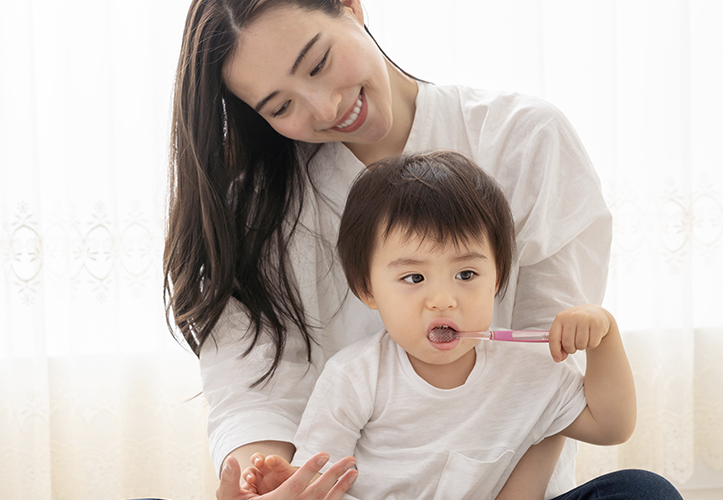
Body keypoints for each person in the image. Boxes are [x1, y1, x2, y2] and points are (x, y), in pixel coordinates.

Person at [164, 0, 634, 497]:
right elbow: (252, 394)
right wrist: (268, 484)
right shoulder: (258, 209)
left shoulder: (526, 138)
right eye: (281, 106)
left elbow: (548, 372)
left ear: (350, 7)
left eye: (319, 63)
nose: (325, 108)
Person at [239, 151, 676, 499]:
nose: (443, 299)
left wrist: (604, 337)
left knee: (643, 489)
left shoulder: (528, 369)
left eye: (466, 275)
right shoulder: (354, 378)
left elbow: (612, 426)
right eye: (414, 278)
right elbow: (322, 482)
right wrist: (290, 482)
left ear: (497, 278)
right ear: (367, 289)